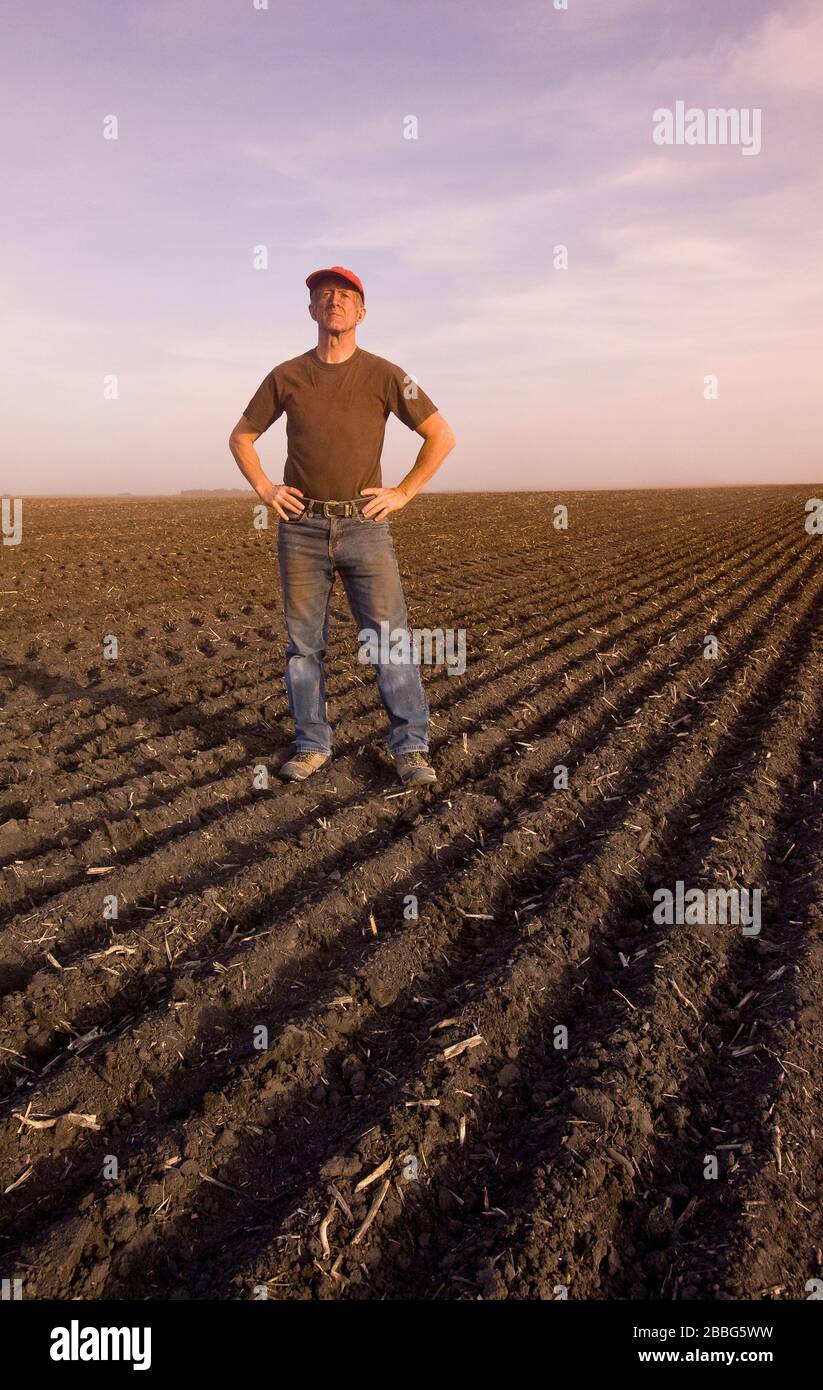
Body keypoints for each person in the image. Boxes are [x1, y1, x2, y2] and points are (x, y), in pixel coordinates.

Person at [229, 265, 456, 785]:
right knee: (303, 646)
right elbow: (240, 437)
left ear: (361, 312)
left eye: (345, 295)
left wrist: (402, 493)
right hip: (302, 526)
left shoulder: (387, 374)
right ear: (311, 310)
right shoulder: (285, 375)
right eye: (323, 295)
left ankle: (411, 749)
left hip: (364, 526)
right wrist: (266, 489)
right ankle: (311, 745)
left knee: (389, 640)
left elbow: (441, 434)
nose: (334, 301)